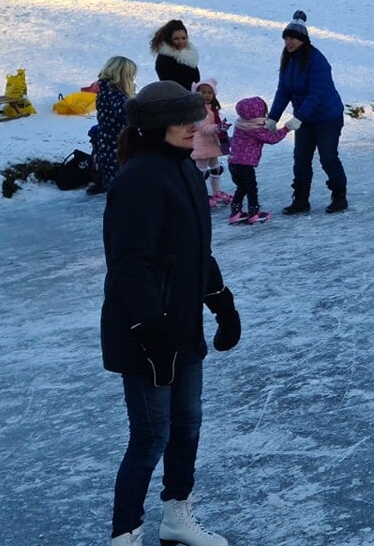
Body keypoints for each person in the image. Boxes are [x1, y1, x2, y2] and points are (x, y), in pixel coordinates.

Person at [102, 80, 240, 546]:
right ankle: (125, 535)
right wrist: (150, 330)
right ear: (158, 126)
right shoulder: (138, 178)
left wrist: (221, 301)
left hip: (182, 324)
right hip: (148, 332)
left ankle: (176, 517)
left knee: (187, 423)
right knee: (150, 435)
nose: (195, 126)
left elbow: (195, 251)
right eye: (185, 119)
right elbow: (129, 264)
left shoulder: (183, 170)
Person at [270, 11, 348, 215]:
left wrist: (298, 117)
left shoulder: (317, 60)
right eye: (286, 38)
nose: (289, 42)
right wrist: (272, 118)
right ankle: (301, 200)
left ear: (303, 40)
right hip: (304, 118)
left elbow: (317, 94)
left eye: (293, 38)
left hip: (327, 117)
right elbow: (284, 90)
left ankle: (339, 196)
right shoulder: (288, 60)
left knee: (328, 157)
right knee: (301, 159)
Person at [225, 95, 293, 226]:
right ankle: (254, 212)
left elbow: (262, 132)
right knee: (251, 188)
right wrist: (286, 129)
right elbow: (272, 139)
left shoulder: (241, 124)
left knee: (241, 187)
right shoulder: (255, 129)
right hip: (245, 164)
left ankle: (235, 212)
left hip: (233, 162)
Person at [89, 57, 138, 194]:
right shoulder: (115, 92)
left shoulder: (103, 88)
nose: (132, 79)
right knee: (121, 180)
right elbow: (123, 113)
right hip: (116, 142)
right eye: (131, 76)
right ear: (122, 75)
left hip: (106, 140)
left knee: (112, 178)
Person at [190, 80, 229, 206]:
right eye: (203, 92)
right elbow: (203, 128)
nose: (206, 95)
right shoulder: (199, 110)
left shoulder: (211, 109)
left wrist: (220, 127)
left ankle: (216, 192)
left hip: (211, 143)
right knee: (201, 172)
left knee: (215, 169)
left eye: (209, 92)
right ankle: (200, 195)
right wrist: (217, 128)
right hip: (201, 145)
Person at [150, 20, 201, 90]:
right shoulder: (165, 60)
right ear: (168, 39)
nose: (181, 42)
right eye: (176, 39)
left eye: (184, 38)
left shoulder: (189, 57)